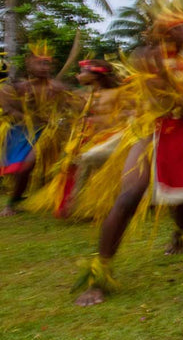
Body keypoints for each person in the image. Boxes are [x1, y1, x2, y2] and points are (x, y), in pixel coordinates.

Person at [74, 0, 183, 306]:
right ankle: (99, 274)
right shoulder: (146, 57)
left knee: (182, 200)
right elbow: (161, 94)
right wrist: (182, 95)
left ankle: (179, 234)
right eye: (173, 27)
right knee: (130, 194)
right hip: (149, 130)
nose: (180, 33)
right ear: (160, 30)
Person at [26, 59, 127, 220]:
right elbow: (71, 110)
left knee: (89, 164)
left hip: (109, 138)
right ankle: (74, 205)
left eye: (83, 72)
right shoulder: (84, 95)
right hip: (86, 137)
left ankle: (90, 206)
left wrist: (105, 125)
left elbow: (127, 115)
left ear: (96, 75)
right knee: (72, 166)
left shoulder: (118, 93)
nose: (79, 75)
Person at [1, 42, 74, 216]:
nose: (43, 67)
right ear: (29, 64)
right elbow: (8, 106)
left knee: (26, 167)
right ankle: (15, 201)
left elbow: (69, 107)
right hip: (20, 132)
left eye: (46, 63)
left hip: (46, 133)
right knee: (17, 170)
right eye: (39, 63)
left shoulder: (57, 88)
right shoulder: (20, 87)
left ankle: (11, 204)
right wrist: (22, 110)